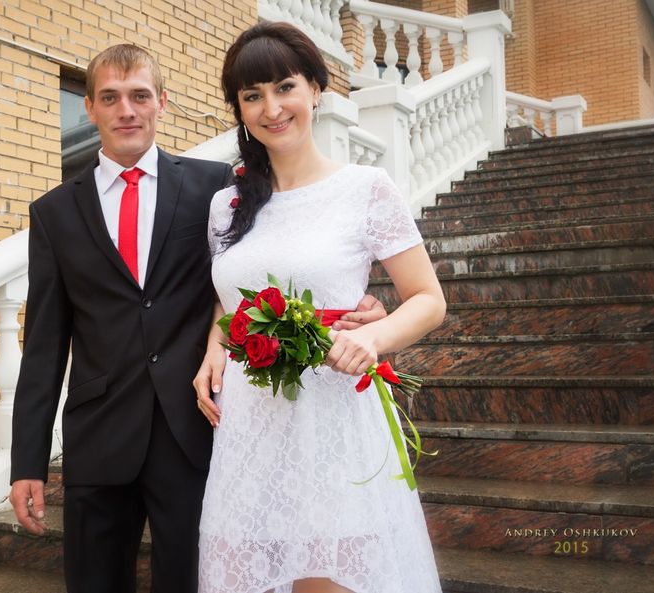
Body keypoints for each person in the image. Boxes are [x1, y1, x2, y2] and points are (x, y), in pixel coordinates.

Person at [8, 43, 386, 593]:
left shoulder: (217, 187)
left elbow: (273, 261)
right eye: (110, 98)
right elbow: (43, 346)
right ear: (88, 107)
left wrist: (358, 302)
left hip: (196, 429)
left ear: (162, 101)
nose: (126, 110)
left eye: (140, 95)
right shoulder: (54, 213)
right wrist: (28, 462)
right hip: (99, 439)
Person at [194, 22, 447, 593]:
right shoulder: (225, 205)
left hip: (332, 415)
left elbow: (429, 300)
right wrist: (215, 346)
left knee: (326, 579)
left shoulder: (365, 188)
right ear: (239, 108)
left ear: (315, 89)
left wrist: (372, 339)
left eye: (285, 87)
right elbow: (229, 296)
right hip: (250, 425)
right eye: (252, 96)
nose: (271, 108)